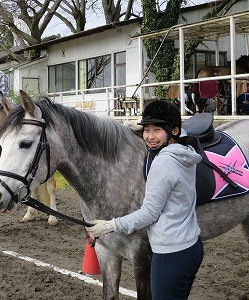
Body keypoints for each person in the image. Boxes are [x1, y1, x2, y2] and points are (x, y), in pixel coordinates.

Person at [86, 100, 204, 300]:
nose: (149, 137)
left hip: (170, 254)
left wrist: (109, 226)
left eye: (157, 129)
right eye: (146, 130)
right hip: (191, 247)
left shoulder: (163, 163)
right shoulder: (186, 153)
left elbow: (149, 213)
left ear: (174, 131)